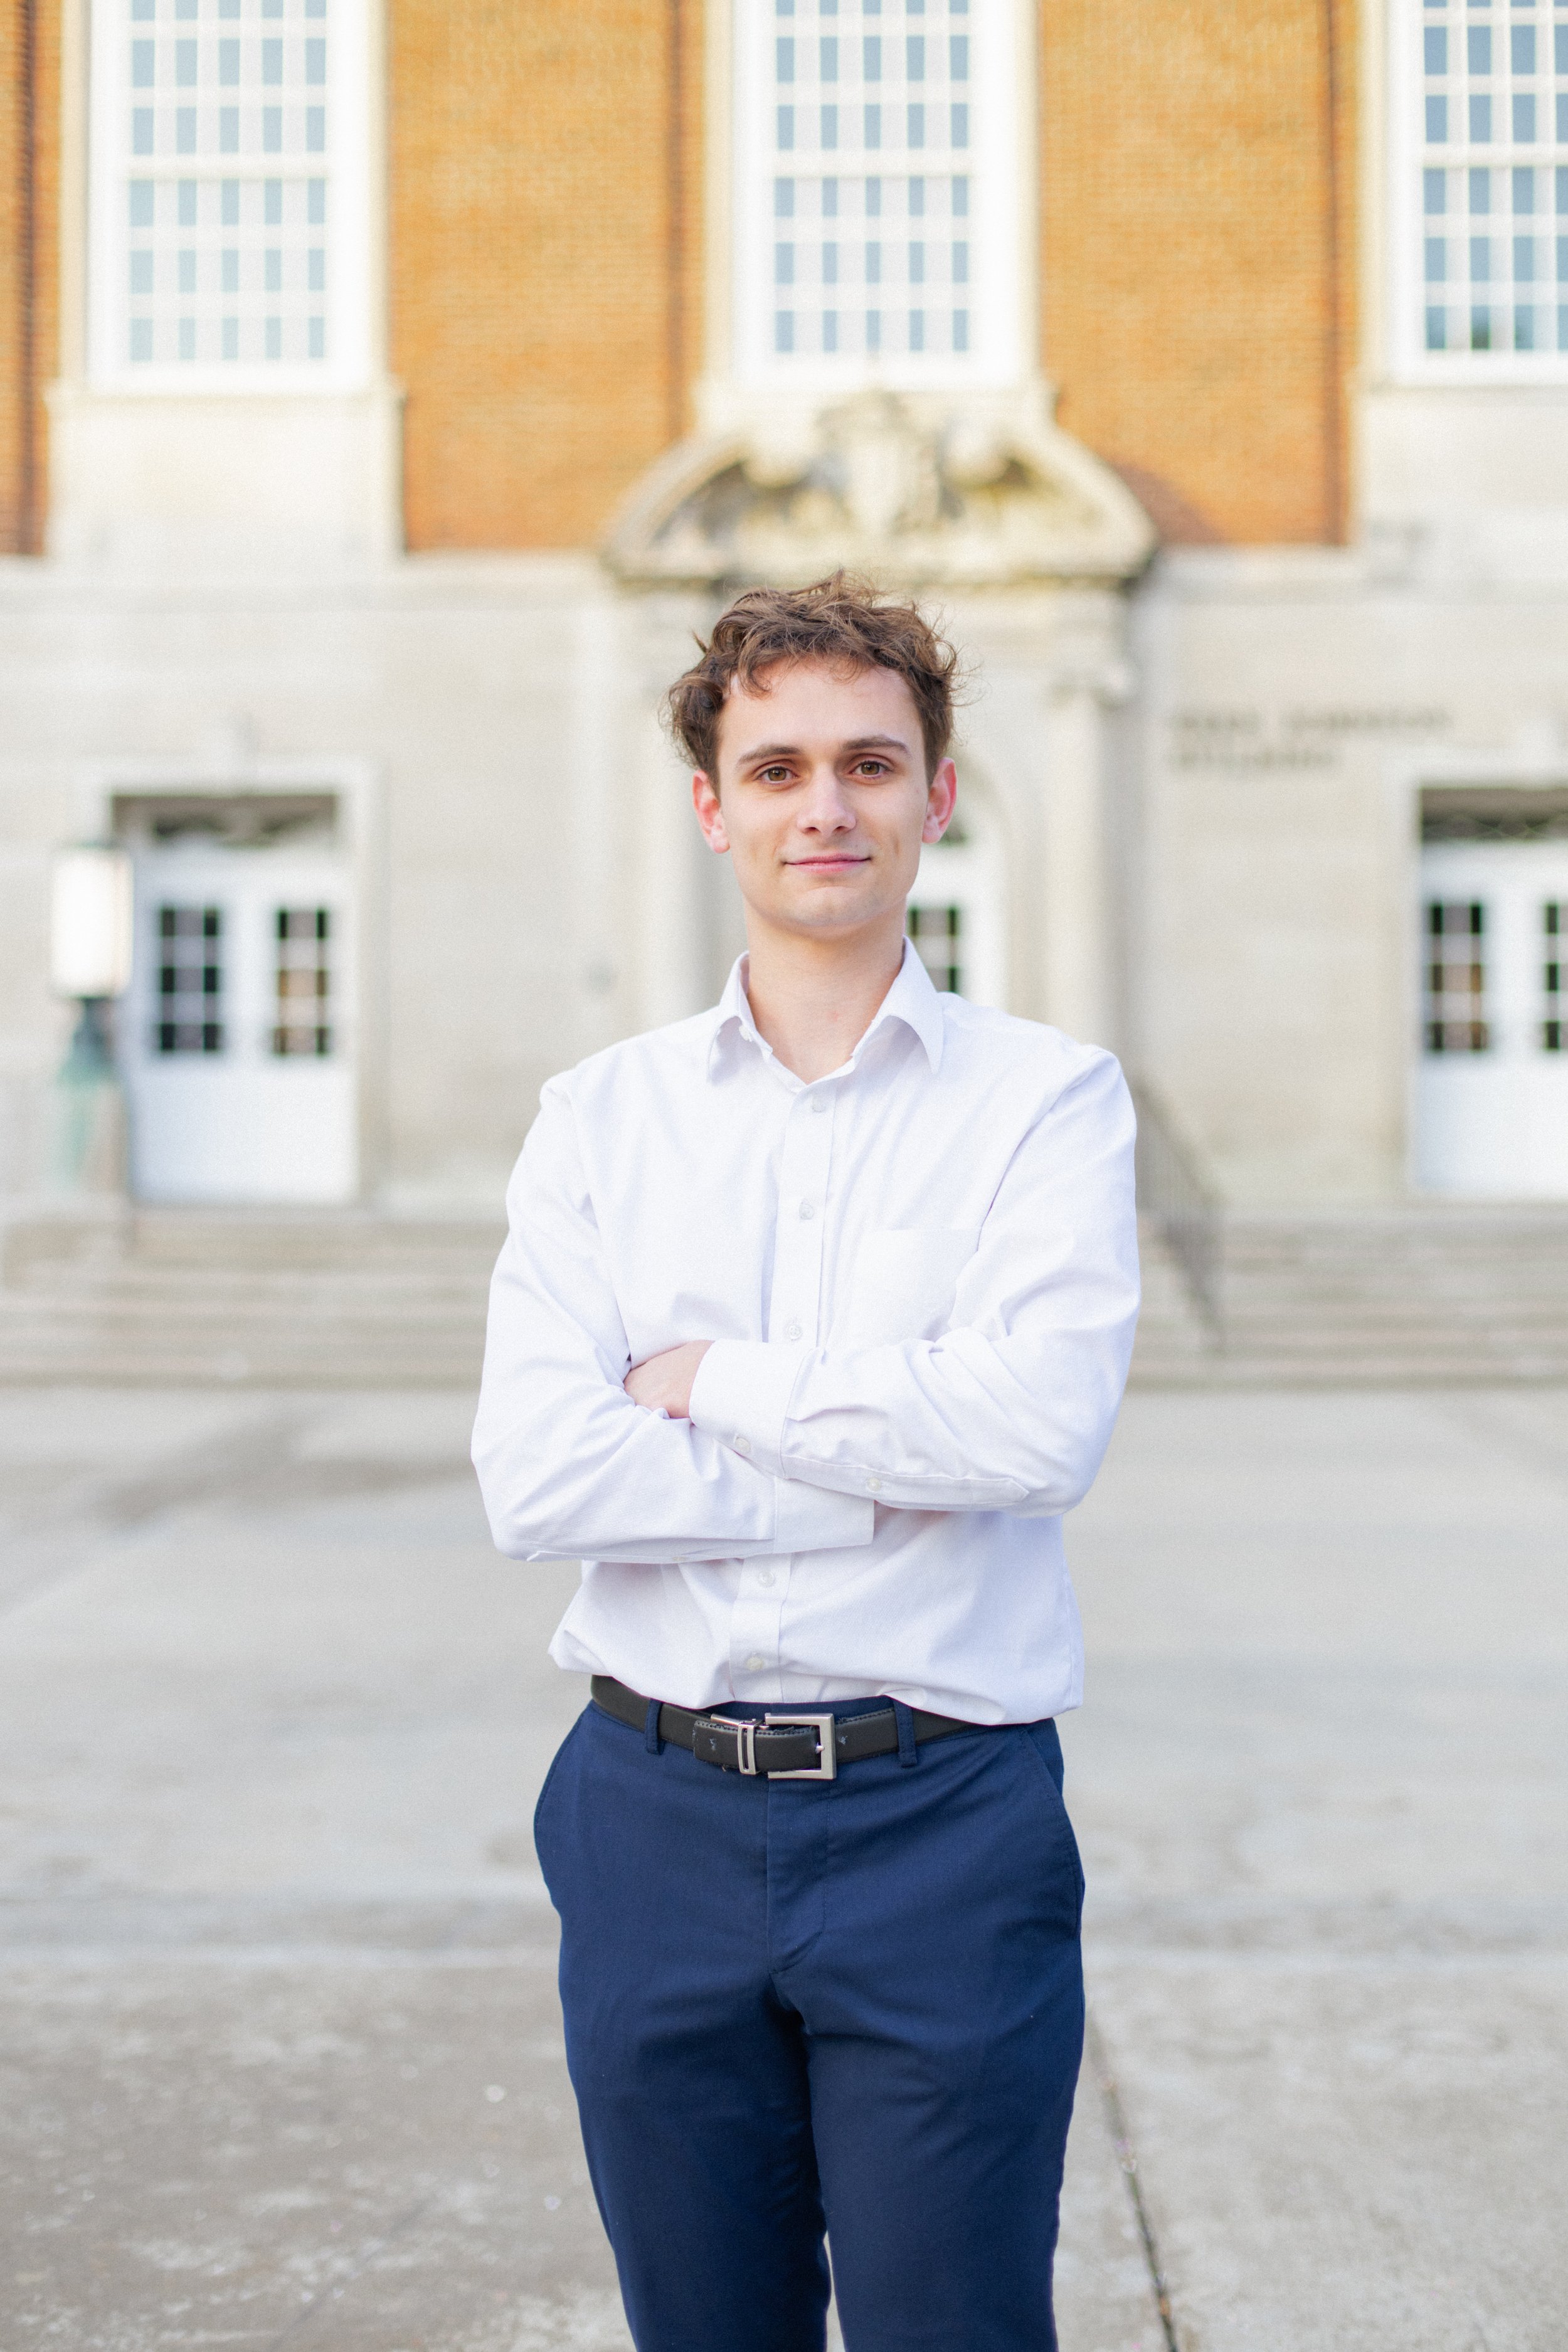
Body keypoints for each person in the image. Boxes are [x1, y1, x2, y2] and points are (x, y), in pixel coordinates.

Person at [472, 573, 1140, 2352]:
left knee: (954, 2327)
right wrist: (887, 1459)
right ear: (710, 805)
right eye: (773, 769)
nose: (820, 805)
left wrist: (710, 1382)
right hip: (650, 1817)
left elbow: (1035, 1431)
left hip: (943, 1823)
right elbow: (537, 1478)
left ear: (935, 794)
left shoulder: (1046, 1103)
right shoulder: (598, 1120)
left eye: (866, 762)